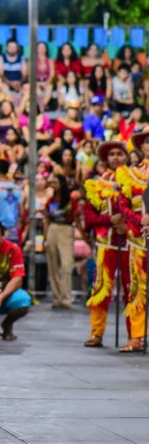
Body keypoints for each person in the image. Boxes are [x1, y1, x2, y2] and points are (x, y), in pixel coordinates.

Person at [83, 141, 130, 347]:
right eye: (111, 154)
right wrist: (110, 220)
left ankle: (135, 336)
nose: (116, 157)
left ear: (126, 157)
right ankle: (97, 333)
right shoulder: (96, 184)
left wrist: (127, 222)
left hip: (132, 244)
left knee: (133, 290)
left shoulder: (136, 180)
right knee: (101, 289)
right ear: (106, 159)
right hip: (106, 245)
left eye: (120, 153)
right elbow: (89, 218)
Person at [114, 129, 149, 352]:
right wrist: (140, 221)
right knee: (136, 287)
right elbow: (123, 205)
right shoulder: (128, 173)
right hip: (138, 237)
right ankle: (137, 336)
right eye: (146, 142)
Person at [43, 173, 77, 309]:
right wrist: (45, 238)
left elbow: (76, 217)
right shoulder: (50, 201)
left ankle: (66, 298)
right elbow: (46, 219)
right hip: (52, 229)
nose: (52, 185)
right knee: (53, 264)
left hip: (66, 229)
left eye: (55, 182)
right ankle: (57, 297)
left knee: (66, 264)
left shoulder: (70, 200)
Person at [0, 159, 21, 243]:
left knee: (0, 253)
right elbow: (21, 211)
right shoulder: (17, 188)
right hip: (14, 228)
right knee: (12, 252)